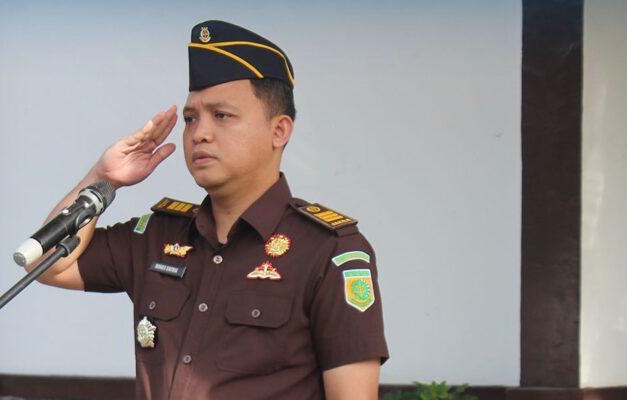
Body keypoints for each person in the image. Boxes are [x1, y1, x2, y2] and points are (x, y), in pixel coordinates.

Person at [26, 20, 388, 400]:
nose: (199, 133)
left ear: (279, 131)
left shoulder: (328, 251)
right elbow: (45, 263)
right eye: (190, 119)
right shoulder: (158, 236)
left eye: (222, 115)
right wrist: (103, 179)